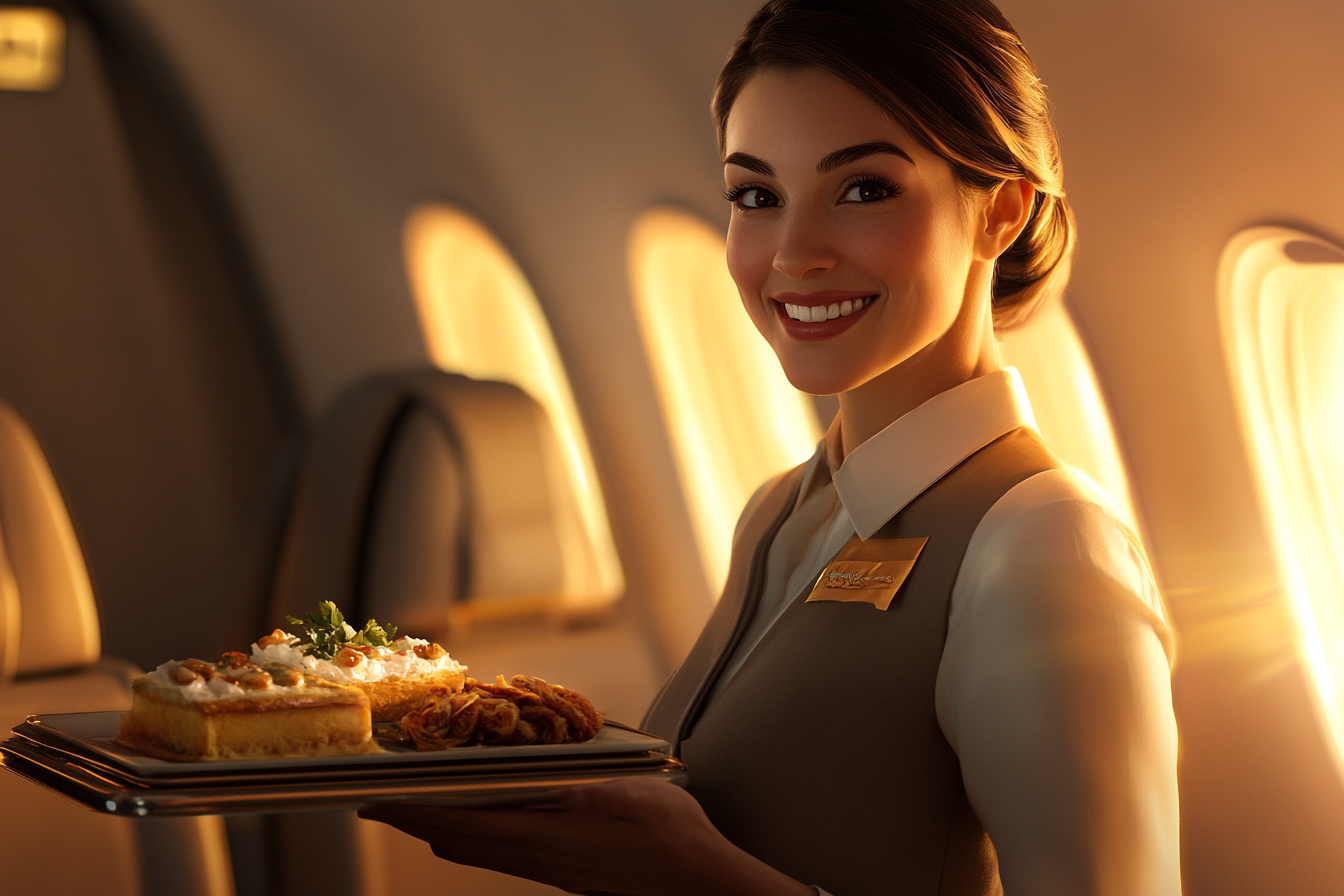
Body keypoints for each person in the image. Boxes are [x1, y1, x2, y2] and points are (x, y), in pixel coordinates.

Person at [360, 1, 1181, 893]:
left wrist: (684, 872)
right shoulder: (780, 511)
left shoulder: (1041, 545)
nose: (793, 254)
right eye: (757, 196)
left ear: (1002, 213)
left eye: (864, 188)